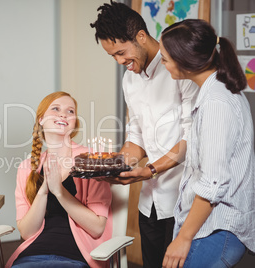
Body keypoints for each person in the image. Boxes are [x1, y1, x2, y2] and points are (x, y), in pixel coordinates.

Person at [90, 2, 199, 267]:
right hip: (149, 202)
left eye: (121, 52)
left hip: (183, 199)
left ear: (140, 36)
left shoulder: (179, 69)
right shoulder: (130, 80)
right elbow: (136, 135)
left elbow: (192, 136)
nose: (119, 61)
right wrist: (118, 166)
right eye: (112, 56)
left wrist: (150, 169)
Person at [159, 19, 255, 268]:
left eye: (166, 58)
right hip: (209, 226)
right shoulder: (215, 92)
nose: (163, 64)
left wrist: (183, 238)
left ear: (186, 61)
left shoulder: (216, 103)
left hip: (217, 229)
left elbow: (214, 183)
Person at [5, 91, 113, 268]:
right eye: (56, 109)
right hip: (33, 255)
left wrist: (59, 191)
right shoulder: (27, 167)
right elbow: (26, 232)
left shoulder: (92, 161)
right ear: (40, 119)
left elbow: (97, 227)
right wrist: (44, 190)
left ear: (74, 123)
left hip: (76, 257)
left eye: (70, 111)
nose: (63, 114)